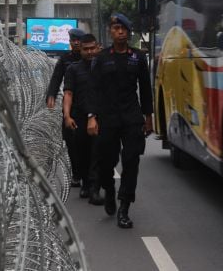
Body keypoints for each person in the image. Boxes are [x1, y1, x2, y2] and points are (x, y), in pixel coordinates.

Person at [88, 13, 153, 229]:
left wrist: (148, 117)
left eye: (123, 28)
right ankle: (109, 190)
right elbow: (94, 90)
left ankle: (124, 208)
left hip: (131, 117)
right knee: (107, 161)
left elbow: (145, 89)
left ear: (128, 31)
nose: (120, 32)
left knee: (131, 161)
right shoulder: (102, 58)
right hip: (107, 118)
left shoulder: (138, 58)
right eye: (116, 28)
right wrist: (92, 117)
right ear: (110, 31)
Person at [46, 28, 87, 187]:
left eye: (78, 40)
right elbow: (56, 79)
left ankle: (87, 175)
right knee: (71, 141)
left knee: (87, 143)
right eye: (73, 40)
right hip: (70, 106)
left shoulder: (91, 58)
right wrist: (51, 95)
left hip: (88, 105)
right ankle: (77, 173)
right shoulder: (65, 59)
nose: (76, 43)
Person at [62, 34, 99, 198]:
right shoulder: (73, 69)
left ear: (97, 48)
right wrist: (67, 116)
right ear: (80, 50)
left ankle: (94, 184)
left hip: (101, 117)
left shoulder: (104, 67)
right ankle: (86, 183)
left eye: (93, 48)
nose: (90, 52)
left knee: (99, 152)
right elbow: (68, 93)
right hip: (79, 117)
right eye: (86, 49)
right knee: (82, 152)